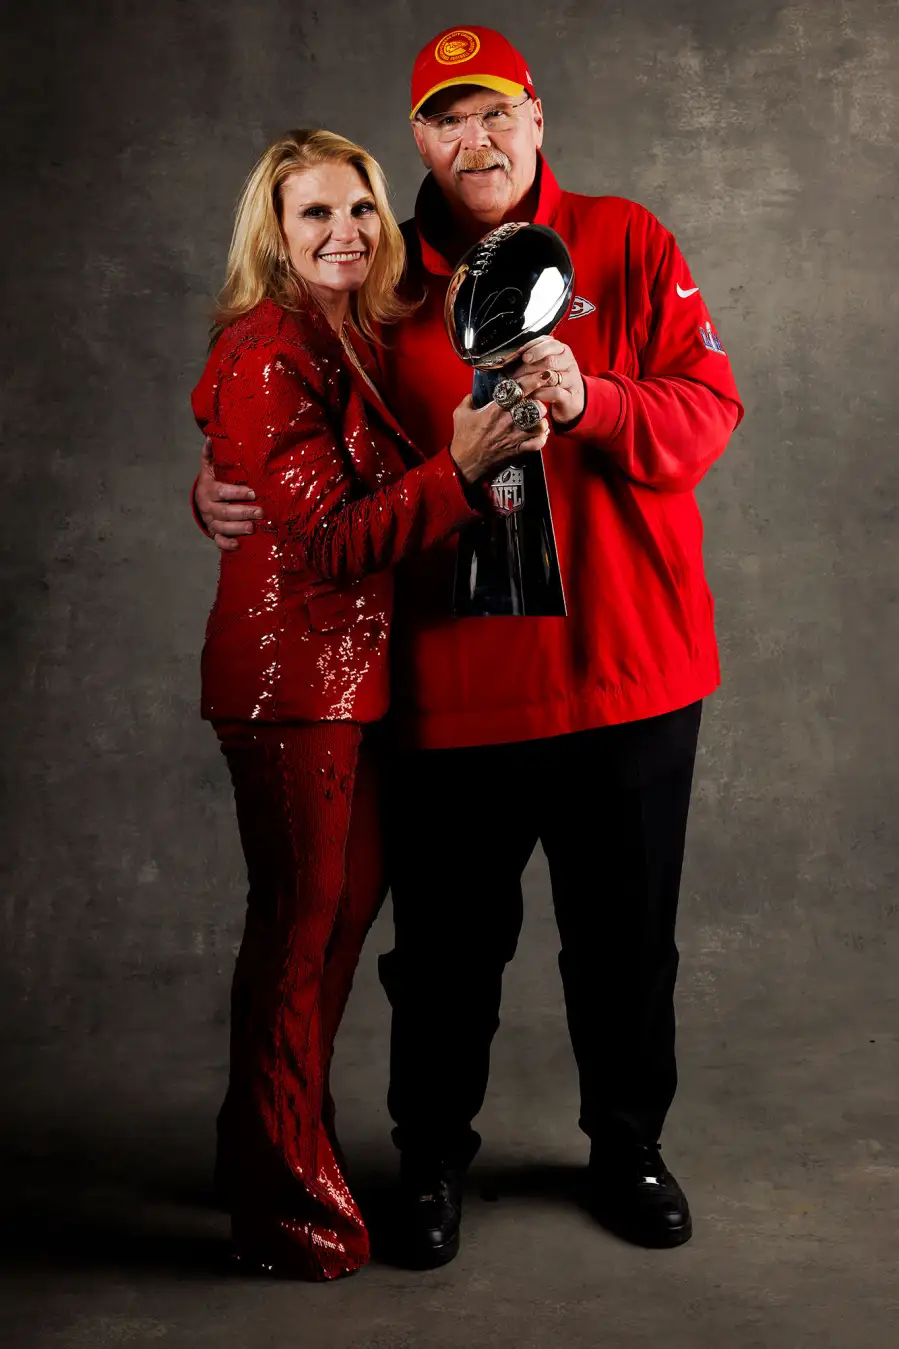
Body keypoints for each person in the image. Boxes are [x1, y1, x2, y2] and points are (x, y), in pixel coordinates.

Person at [194, 26, 744, 1268]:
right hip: (449, 681)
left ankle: (628, 1144)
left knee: (623, 941)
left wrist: (590, 397)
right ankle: (431, 1155)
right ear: (420, 141)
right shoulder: (376, 277)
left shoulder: (627, 238)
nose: (474, 139)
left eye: (494, 112)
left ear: (535, 118)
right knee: (441, 953)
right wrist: (212, 489)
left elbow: (707, 412)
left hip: (628, 667)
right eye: (446, 120)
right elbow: (288, 437)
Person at [192, 124, 550, 1280]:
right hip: (291, 685)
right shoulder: (270, 344)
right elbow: (334, 540)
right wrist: (455, 471)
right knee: (302, 938)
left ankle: (262, 1152)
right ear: (274, 233)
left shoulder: (341, 331)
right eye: (313, 215)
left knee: (323, 938)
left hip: (345, 683)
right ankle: (284, 1205)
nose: (344, 232)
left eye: (359, 210)